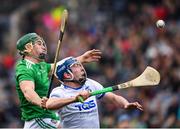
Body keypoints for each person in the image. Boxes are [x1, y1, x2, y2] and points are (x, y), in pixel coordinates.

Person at [15, 32, 102, 128]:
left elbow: (59, 67)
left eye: (43, 44)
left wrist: (81, 58)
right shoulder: (25, 68)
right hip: (38, 119)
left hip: (48, 116)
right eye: (39, 44)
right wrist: (42, 103)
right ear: (28, 47)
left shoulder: (41, 66)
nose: (44, 47)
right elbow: (28, 91)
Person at [43, 57, 143, 128]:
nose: (82, 67)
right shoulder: (60, 92)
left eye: (80, 64)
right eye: (76, 66)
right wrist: (75, 99)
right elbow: (50, 104)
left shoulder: (90, 84)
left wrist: (125, 103)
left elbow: (113, 98)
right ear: (67, 75)